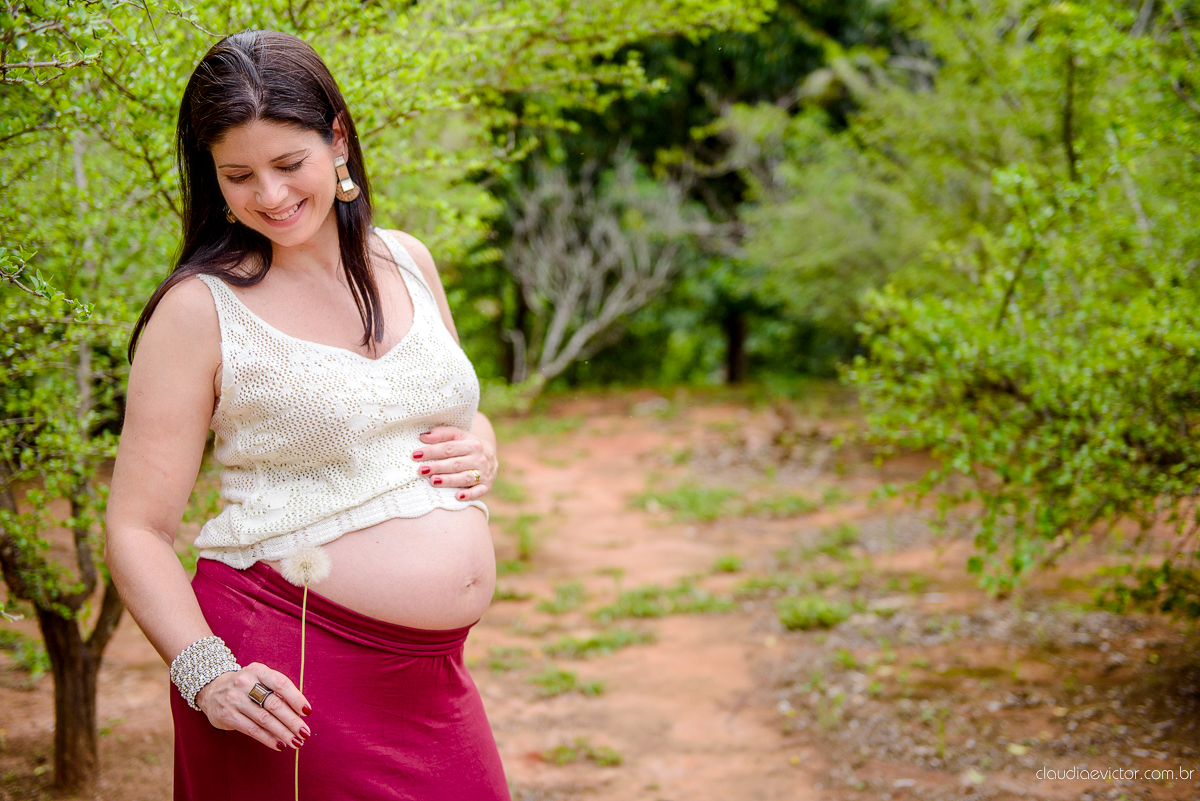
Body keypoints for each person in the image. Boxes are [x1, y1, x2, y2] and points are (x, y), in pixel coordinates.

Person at [104, 30, 510, 800]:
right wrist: (207, 672)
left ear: (338, 139)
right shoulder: (201, 311)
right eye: (238, 175)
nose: (271, 194)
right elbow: (136, 527)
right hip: (285, 676)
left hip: (432, 679)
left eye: (289, 165)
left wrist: (481, 447)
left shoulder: (408, 260)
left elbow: (452, 410)